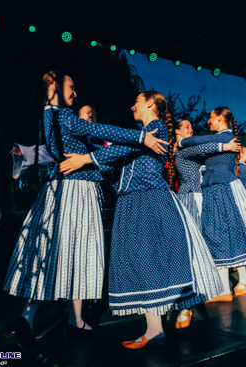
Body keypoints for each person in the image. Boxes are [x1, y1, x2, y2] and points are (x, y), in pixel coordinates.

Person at [3, 72, 168, 349]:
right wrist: (142, 137)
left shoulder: (47, 118)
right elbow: (103, 132)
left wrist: (28, 153)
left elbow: (53, 151)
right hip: (76, 192)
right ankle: (62, 318)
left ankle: (62, 318)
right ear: (55, 87)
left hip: (56, 191)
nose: (76, 93)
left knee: (57, 253)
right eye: (72, 87)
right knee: (76, 253)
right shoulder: (67, 117)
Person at [60, 91, 223, 349]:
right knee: (142, 262)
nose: (132, 105)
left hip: (148, 201)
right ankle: (155, 328)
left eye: (136, 101)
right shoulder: (143, 135)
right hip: (134, 201)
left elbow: (125, 147)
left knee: (150, 260)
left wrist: (86, 159)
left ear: (149, 103)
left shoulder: (155, 128)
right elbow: (119, 160)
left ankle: (160, 325)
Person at [177, 107, 246, 300]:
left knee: (230, 233)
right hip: (211, 190)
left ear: (220, 118)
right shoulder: (221, 141)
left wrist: (181, 141)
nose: (207, 122)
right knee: (218, 236)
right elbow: (200, 148)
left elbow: (198, 141)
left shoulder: (224, 137)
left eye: (211, 118)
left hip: (222, 188)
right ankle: (224, 289)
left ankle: (240, 279)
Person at [170, 119, 240, 328]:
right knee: (193, 248)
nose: (191, 130)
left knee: (206, 244)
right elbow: (205, 147)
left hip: (198, 196)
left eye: (192, 127)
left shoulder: (188, 149)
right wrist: (225, 146)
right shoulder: (183, 149)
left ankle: (215, 289)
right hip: (191, 199)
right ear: (177, 132)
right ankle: (186, 304)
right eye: (187, 127)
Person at [9, 104, 100, 179]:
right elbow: (51, 150)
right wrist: (24, 151)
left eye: (95, 114)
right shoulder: (72, 139)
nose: (92, 116)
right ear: (78, 118)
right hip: (76, 181)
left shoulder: (102, 139)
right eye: (88, 113)